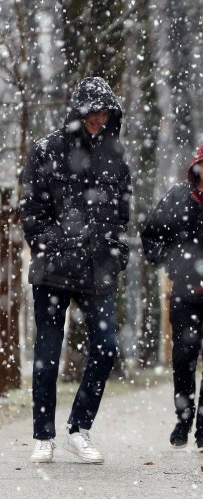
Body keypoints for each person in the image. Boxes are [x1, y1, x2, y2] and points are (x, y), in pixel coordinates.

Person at [22, 76, 131, 464]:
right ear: (80, 111)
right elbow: (31, 212)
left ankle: (79, 429)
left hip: (97, 269)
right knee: (48, 354)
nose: (100, 120)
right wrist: (57, 243)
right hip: (52, 269)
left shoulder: (114, 155)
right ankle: (43, 434)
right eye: (95, 112)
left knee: (105, 348)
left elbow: (122, 212)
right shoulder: (46, 150)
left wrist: (116, 251)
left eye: (106, 113)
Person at [141, 138, 203, 452]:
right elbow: (151, 233)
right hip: (184, 293)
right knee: (183, 359)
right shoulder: (178, 197)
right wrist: (168, 262)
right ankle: (183, 419)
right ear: (196, 168)